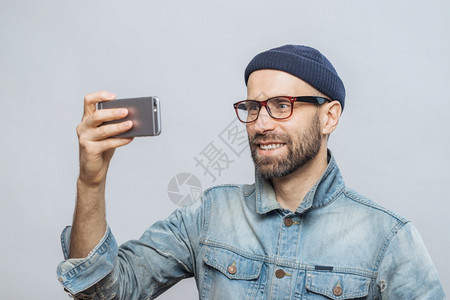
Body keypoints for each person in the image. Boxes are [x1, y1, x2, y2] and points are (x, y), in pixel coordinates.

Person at [57, 45, 445, 299]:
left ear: (329, 117)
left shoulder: (388, 238)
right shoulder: (209, 214)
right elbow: (101, 292)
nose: (261, 124)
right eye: (253, 107)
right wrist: (90, 182)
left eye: (281, 105)